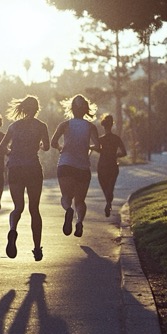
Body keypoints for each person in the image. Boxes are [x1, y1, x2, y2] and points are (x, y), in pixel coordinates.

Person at [0, 95, 50, 261]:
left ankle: (13, 229)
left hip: (15, 168)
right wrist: (38, 145)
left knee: (18, 207)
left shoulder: (14, 126)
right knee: (34, 209)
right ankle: (36, 249)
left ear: (23, 108)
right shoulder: (41, 126)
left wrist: (11, 154)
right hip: (33, 168)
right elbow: (47, 147)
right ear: (36, 109)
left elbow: (1, 148)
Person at [50, 94, 100, 237]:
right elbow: (98, 146)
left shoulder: (64, 125)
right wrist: (87, 147)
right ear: (86, 109)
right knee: (80, 201)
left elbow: (53, 142)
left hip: (65, 165)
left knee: (66, 197)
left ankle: (68, 210)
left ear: (72, 109)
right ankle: (79, 222)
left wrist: (61, 148)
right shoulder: (91, 126)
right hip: (83, 168)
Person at [95, 114, 127, 217]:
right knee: (110, 187)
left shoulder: (101, 140)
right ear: (112, 125)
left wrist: (92, 148)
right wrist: (116, 154)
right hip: (113, 165)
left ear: (103, 126)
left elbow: (98, 149)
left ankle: (108, 202)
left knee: (105, 187)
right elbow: (124, 153)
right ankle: (109, 202)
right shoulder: (116, 139)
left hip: (102, 166)